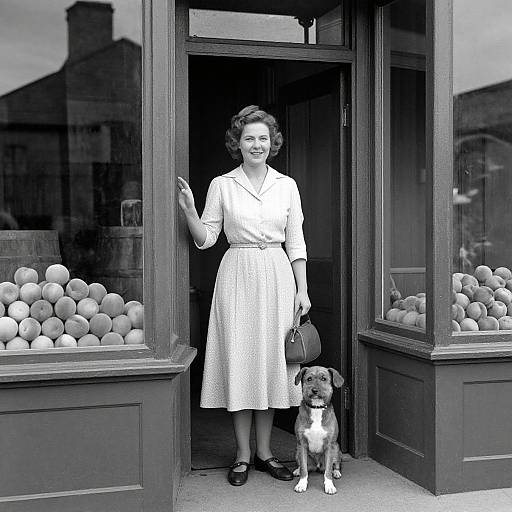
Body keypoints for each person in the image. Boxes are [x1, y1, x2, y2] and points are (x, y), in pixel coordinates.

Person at [177, 105, 311, 486]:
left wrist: (302, 290)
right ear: (237, 143)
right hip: (236, 275)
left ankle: (266, 453)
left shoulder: (287, 185)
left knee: (271, 365)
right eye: (249, 138)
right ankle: (241, 455)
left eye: (263, 138)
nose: (257, 144)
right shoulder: (222, 184)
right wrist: (189, 211)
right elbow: (206, 240)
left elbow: (297, 241)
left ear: (273, 143)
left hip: (277, 277)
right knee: (241, 362)